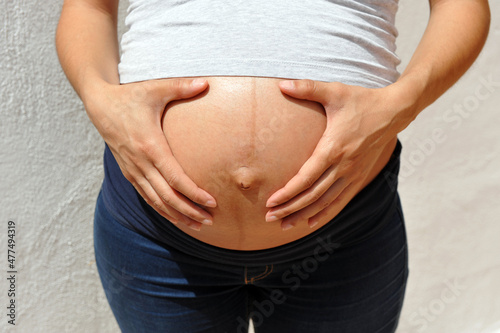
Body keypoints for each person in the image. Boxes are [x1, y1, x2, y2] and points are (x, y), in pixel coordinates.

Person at [56, 0, 490, 332]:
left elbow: (462, 6)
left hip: (343, 234)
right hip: (157, 237)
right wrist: (101, 101)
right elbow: (88, 7)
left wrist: (401, 104)